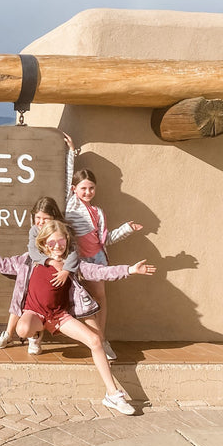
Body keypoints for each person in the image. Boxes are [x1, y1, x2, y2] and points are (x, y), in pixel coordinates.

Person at [0, 219, 155, 415]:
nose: (58, 246)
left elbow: (100, 271)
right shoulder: (29, 260)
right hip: (33, 313)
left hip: (59, 316)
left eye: (62, 242)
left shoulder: (72, 265)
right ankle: (35, 335)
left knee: (95, 340)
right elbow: (2, 264)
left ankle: (112, 394)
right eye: (52, 242)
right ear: (43, 243)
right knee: (23, 329)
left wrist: (130, 270)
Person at [62, 133, 143, 361]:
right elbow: (67, 176)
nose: (88, 192)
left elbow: (104, 240)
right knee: (81, 302)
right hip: (80, 261)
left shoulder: (98, 212)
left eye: (91, 189)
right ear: (75, 189)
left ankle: (101, 340)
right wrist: (71, 152)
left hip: (98, 259)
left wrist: (126, 229)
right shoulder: (71, 205)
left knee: (100, 300)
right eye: (84, 188)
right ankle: (94, 341)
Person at [0, 196, 79, 354]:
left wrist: (66, 270)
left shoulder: (61, 230)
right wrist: (50, 262)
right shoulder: (34, 230)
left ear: (54, 218)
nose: (40, 222)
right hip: (38, 267)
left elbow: (73, 253)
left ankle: (36, 335)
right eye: (37, 217)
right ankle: (10, 333)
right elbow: (33, 252)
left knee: (46, 301)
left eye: (45, 219)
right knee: (20, 299)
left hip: (54, 275)